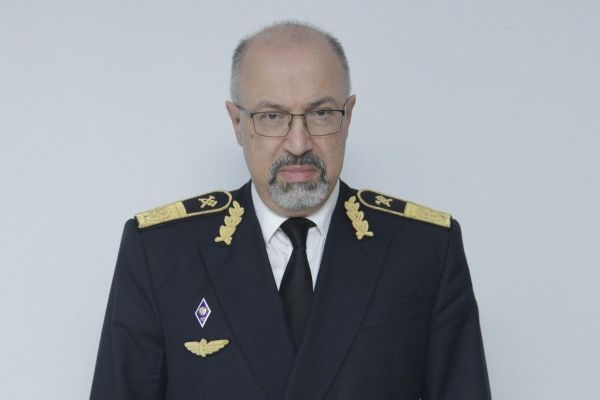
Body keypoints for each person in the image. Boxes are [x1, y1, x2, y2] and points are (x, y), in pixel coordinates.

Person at [90, 21, 491, 400]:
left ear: (348, 116)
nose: (298, 143)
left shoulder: (423, 249)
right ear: (237, 122)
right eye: (272, 116)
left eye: (320, 114)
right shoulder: (162, 254)